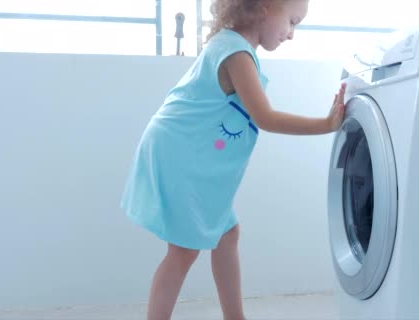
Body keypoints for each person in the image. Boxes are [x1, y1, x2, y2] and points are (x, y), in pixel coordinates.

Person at [121, 0, 346, 319]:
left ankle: (234, 316)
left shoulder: (235, 47)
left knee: (227, 233)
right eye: (293, 21)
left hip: (185, 152)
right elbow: (264, 117)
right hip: (180, 154)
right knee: (183, 250)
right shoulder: (236, 53)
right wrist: (326, 125)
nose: (292, 34)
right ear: (265, 7)